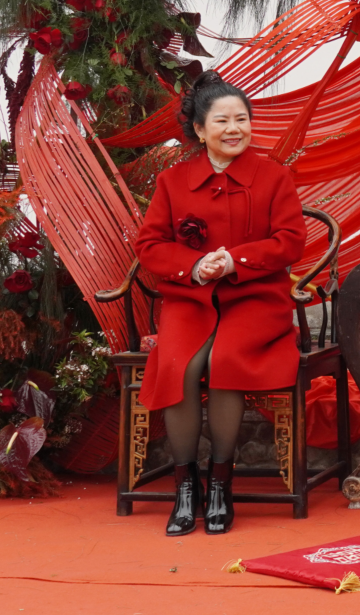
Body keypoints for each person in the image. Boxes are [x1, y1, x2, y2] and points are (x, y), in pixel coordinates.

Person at [135, 71, 307, 537]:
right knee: (179, 364)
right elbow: (150, 245)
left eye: (242, 119)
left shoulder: (274, 176)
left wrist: (235, 260)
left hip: (256, 297)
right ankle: (184, 486)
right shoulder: (172, 181)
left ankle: (220, 484)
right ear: (199, 128)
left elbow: (291, 241)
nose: (235, 129)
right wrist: (193, 265)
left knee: (226, 359)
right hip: (190, 299)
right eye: (222, 121)